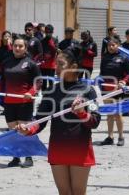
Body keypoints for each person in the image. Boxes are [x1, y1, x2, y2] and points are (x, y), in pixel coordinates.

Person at [15, 46, 101, 195]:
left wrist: (81, 113)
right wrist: (28, 129)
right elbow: (40, 121)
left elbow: (94, 122)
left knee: (78, 192)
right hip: (58, 147)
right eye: (56, 64)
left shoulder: (87, 90)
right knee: (63, 192)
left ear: (74, 67)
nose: (56, 68)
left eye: (61, 64)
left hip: (79, 147)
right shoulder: (51, 91)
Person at [0, 35, 42, 167]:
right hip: (9, 103)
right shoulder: (7, 62)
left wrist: (31, 92)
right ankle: (16, 157)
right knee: (12, 132)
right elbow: (2, 80)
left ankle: (28, 157)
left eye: (20, 46)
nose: (17, 48)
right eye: (15, 45)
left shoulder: (31, 63)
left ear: (25, 48)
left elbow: (38, 81)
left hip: (24, 103)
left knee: (24, 131)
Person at [100, 37, 129, 146]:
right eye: (109, 45)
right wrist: (99, 80)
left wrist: (124, 81)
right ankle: (110, 136)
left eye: (113, 45)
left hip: (118, 90)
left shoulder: (123, 57)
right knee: (109, 113)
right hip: (106, 89)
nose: (111, 47)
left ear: (118, 45)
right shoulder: (105, 57)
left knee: (117, 114)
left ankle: (121, 136)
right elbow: (102, 72)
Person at [40, 24, 57, 91]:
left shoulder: (55, 40)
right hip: (43, 65)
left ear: (52, 32)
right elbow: (40, 51)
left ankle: (51, 95)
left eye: (50, 32)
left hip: (51, 65)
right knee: (43, 82)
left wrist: (51, 43)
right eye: (47, 32)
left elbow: (55, 50)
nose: (48, 33)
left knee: (51, 82)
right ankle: (44, 96)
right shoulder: (42, 41)